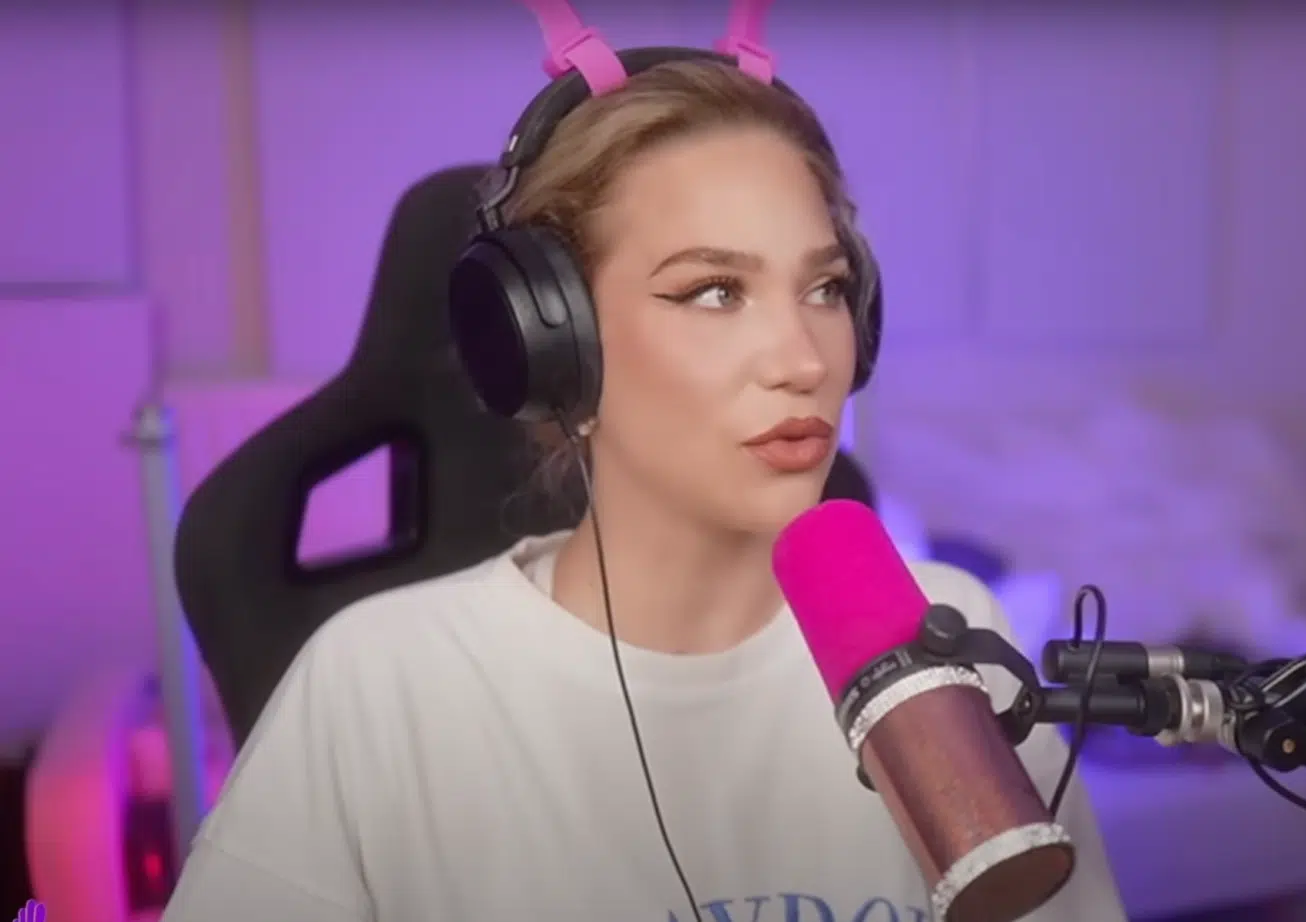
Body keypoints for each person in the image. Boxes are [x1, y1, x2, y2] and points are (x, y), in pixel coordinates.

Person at [162, 54, 1127, 922]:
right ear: (555, 348)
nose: (803, 360)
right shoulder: (379, 685)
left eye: (825, 289)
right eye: (715, 291)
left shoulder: (947, 634)